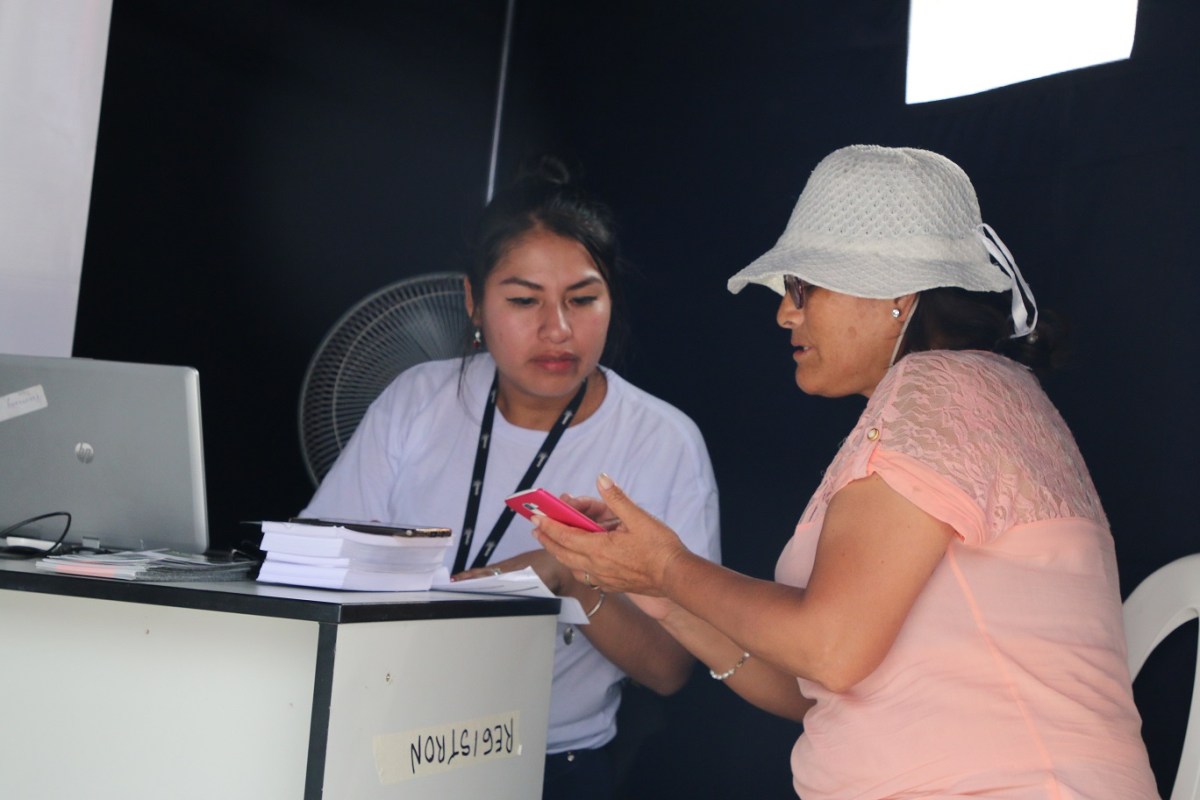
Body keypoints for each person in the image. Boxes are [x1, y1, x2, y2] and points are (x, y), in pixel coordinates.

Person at [533, 145, 1159, 799]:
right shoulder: (973, 392)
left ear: (898, 295)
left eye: (803, 288)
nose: (785, 313)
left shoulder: (937, 390)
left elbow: (829, 648)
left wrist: (668, 567)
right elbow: (819, 686)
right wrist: (665, 594)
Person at [301, 157, 721, 800]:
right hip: (389, 740)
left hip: (552, 762)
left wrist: (567, 575)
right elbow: (315, 572)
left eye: (583, 299)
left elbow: (669, 669)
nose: (558, 329)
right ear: (473, 301)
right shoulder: (418, 398)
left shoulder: (662, 441)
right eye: (524, 300)